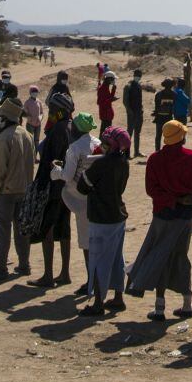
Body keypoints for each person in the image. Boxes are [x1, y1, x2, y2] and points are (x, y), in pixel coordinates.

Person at [127, 120, 192, 320]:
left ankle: (160, 306)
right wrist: (182, 198)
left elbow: (151, 190)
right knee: (180, 256)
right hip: (185, 217)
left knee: (160, 255)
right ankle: (187, 303)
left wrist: (171, 199)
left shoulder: (155, 159)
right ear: (182, 137)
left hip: (163, 215)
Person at [76, 126, 131, 316]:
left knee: (98, 259)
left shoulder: (100, 164)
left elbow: (83, 187)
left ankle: (98, 302)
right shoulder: (124, 163)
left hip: (101, 217)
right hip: (118, 215)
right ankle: (118, 297)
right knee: (116, 258)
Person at [0, 99, 34, 281]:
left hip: (5, 192)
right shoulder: (26, 134)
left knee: (3, 233)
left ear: (4, 118)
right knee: (21, 231)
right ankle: (24, 265)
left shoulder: (2, 138)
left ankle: (0, 269)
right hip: (23, 190)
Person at [29, 92, 75, 288]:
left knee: (47, 229)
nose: (51, 113)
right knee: (64, 229)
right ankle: (65, 273)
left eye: (53, 110)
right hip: (68, 188)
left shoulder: (58, 130)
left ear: (60, 111)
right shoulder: (72, 127)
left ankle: (48, 275)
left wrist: (40, 185)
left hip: (54, 188)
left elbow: (50, 161)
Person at [52, 112, 100, 295]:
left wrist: (56, 170)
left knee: (87, 243)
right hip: (96, 197)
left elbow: (67, 175)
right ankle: (95, 280)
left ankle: (92, 282)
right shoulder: (97, 143)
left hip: (80, 198)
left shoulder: (74, 148)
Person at [123, 69, 145, 157]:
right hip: (132, 113)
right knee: (129, 133)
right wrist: (129, 111)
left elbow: (140, 100)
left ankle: (136, 152)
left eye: (139, 75)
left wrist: (141, 109)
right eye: (137, 75)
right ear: (135, 75)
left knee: (137, 133)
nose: (138, 77)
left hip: (139, 112)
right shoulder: (128, 86)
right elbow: (125, 101)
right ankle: (126, 153)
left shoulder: (139, 86)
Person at [152, 78, 177, 151]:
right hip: (169, 118)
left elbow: (156, 107)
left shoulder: (159, 94)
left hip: (159, 118)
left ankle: (157, 151)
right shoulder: (174, 94)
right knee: (169, 135)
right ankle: (169, 151)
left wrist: (155, 113)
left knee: (158, 136)